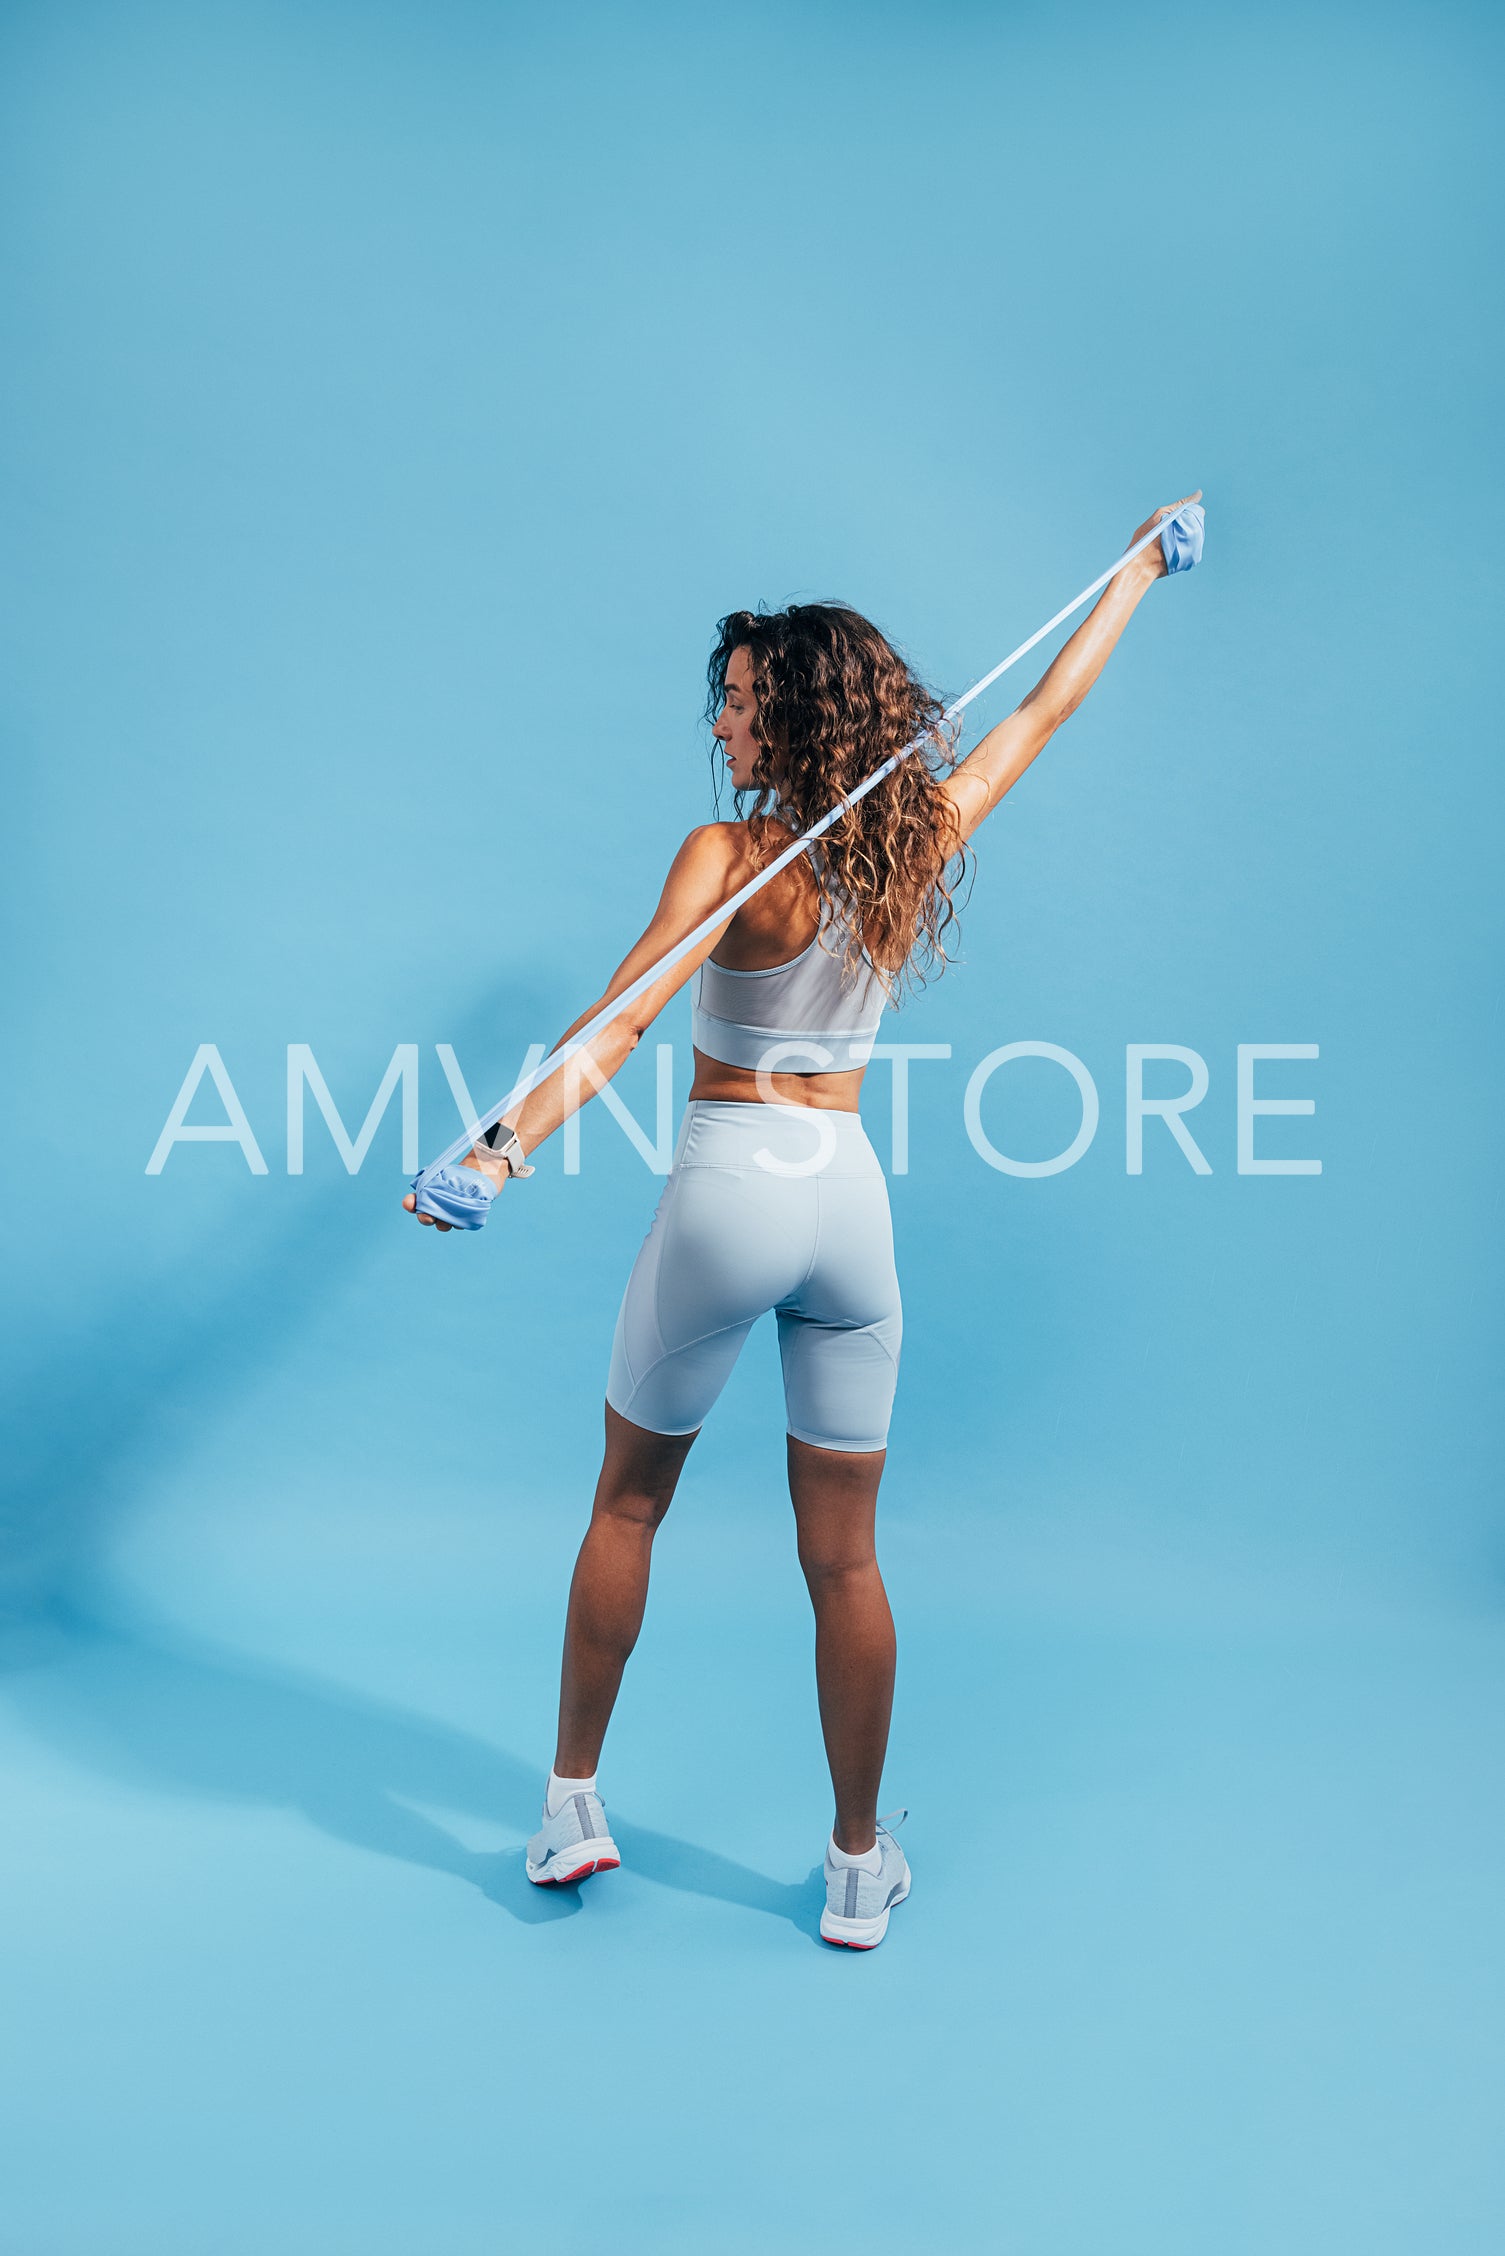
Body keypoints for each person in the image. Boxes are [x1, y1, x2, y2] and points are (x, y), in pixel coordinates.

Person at [402, 493, 1202, 1948]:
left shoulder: (728, 858)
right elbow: (1043, 709)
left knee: (626, 1502)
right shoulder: (913, 840)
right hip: (847, 1209)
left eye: (739, 708)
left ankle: (570, 1803)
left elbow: (627, 1011)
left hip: (730, 1189)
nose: (722, 731)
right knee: (844, 1559)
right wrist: (1140, 570)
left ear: (791, 724)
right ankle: (853, 1869)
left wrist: (499, 1149)